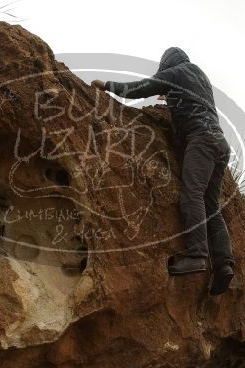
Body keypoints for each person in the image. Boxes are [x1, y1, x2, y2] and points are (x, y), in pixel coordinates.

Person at [92, 47, 235, 295]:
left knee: (192, 194)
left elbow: (143, 87)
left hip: (200, 140)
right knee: (212, 207)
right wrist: (171, 99)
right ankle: (224, 264)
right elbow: (189, 101)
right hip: (220, 144)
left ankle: (197, 255)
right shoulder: (199, 77)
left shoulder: (178, 72)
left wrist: (108, 85)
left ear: (168, 65)